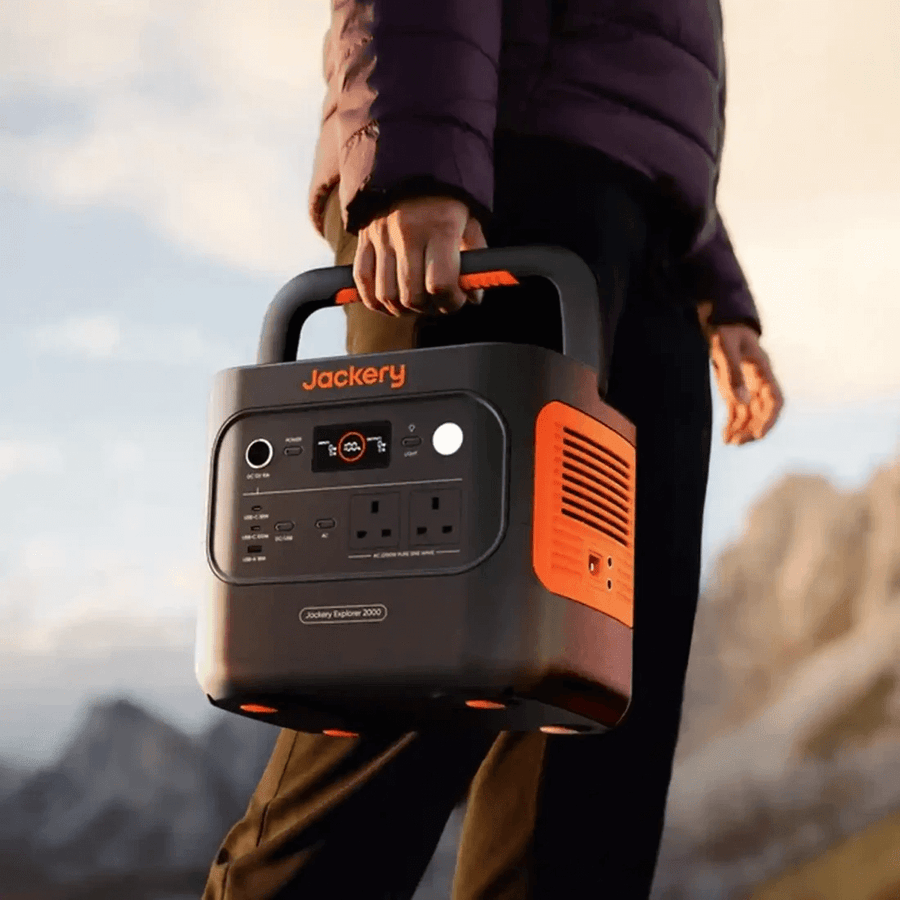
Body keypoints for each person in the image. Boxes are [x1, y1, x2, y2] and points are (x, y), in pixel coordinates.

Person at [202, 2, 784, 898]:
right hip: (499, 192)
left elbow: (647, 89)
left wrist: (719, 293)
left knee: (593, 716)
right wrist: (415, 166)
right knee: (405, 685)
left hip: (651, 251)